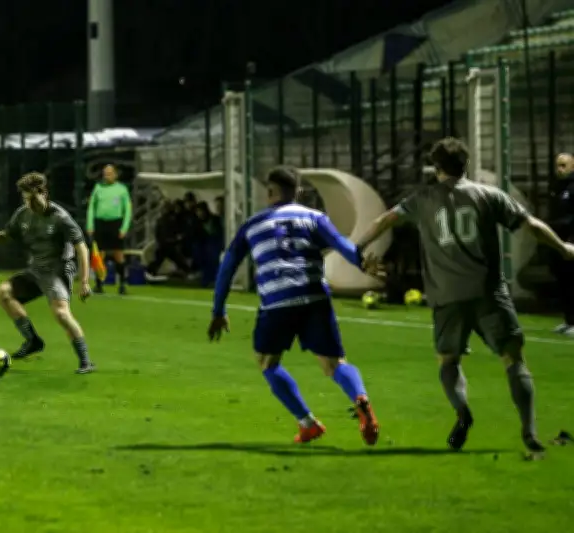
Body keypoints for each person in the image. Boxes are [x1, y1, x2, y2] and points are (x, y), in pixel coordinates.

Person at [357, 137, 574, 454]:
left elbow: (384, 220)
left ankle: (462, 412)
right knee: (513, 359)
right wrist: (563, 248)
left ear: (436, 167)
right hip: (488, 292)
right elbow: (531, 225)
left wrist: (357, 248)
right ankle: (529, 431)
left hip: (446, 296)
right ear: (466, 164)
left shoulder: (422, 199)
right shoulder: (489, 195)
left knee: (448, 360)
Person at [208, 166, 379, 446]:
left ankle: (307, 424)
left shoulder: (252, 224)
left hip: (277, 300)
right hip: (314, 296)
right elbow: (341, 244)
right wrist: (361, 262)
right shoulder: (314, 217)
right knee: (334, 363)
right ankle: (360, 398)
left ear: (270, 192)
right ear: (298, 192)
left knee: (267, 362)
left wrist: (218, 310)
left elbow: (227, 267)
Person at [0, 171, 95, 374]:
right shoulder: (23, 214)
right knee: (4, 293)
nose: (29, 204)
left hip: (57, 272)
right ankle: (32, 340)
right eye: (25, 199)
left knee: (61, 314)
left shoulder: (60, 217)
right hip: (35, 270)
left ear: (44, 193)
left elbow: (82, 247)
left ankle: (86, 361)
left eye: (32, 199)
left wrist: (84, 281)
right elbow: (7, 235)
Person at [86, 164, 133, 294]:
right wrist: (90, 225)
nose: (107, 176)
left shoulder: (122, 189)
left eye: (110, 173)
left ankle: (122, 284)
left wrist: (124, 228)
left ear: (115, 175)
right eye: (105, 173)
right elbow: (91, 207)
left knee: (119, 255)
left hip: (116, 223)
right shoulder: (98, 188)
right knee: (99, 255)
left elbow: (128, 210)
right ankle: (99, 284)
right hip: (100, 223)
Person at [549, 153, 574, 335]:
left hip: (571, 240)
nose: (560, 169)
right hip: (558, 240)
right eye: (558, 165)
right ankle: (569, 319)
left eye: (563, 165)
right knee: (563, 280)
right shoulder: (556, 187)